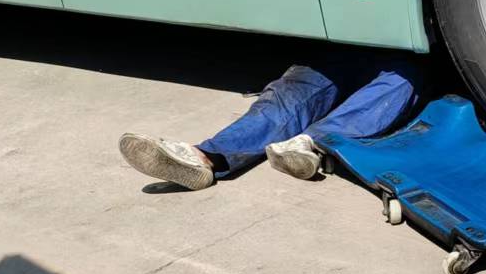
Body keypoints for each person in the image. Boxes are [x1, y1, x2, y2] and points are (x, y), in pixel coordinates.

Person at [118, 57, 424, 191]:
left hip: (410, 54)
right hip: (353, 42)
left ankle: (312, 143)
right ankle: (204, 156)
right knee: (293, 95)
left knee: (401, 82)